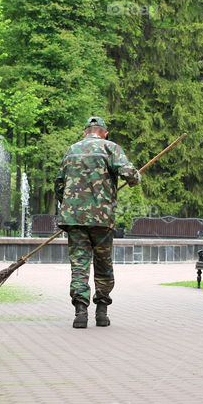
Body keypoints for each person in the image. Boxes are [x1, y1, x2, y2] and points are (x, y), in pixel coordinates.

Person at [54, 116, 140, 328]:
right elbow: (128, 172)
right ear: (105, 133)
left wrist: (70, 206)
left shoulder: (72, 150)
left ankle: (80, 313)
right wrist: (135, 178)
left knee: (79, 266)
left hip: (74, 219)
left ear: (85, 133)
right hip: (102, 219)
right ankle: (101, 312)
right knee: (103, 264)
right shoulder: (110, 148)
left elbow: (58, 184)